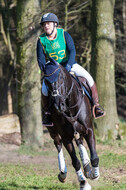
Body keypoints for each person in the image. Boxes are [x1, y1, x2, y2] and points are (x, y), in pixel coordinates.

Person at [37, 13, 105, 126]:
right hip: (53, 69)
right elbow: (40, 59)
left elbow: (72, 50)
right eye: (44, 24)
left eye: (48, 23)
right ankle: (47, 114)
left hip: (69, 64)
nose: (46, 26)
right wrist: (46, 71)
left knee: (89, 78)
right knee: (44, 89)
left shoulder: (64, 34)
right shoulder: (41, 40)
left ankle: (96, 106)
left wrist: (68, 66)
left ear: (55, 24)